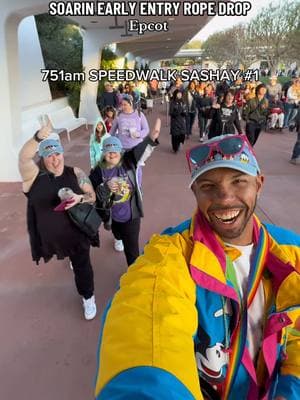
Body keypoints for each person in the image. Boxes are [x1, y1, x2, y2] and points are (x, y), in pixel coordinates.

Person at [94, 134, 300, 400]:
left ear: (259, 184)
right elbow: (145, 324)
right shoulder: (170, 254)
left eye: (238, 181)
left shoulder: (292, 251)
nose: (225, 198)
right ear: (195, 192)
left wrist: (290, 389)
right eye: (207, 186)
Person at [19, 124, 98, 320]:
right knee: (71, 258)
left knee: (83, 267)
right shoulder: (33, 177)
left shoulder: (75, 173)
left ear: (62, 153)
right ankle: (71, 260)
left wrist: (80, 198)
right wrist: (37, 137)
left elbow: (92, 196)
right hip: (52, 239)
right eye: (49, 156)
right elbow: (23, 158)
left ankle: (88, 297)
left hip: (77, 233)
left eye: (57, 154)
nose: (55, 159)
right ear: (42, 158)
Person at [89, 119, 161, 266]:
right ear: (103, 153)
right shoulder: (97, 171)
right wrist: (105, 186)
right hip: (111, 215)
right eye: (108, 151)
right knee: (116, 232)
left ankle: (133, 274)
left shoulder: (129, 160)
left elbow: (142, 148)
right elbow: (94, 194)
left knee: (132, 249)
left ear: (121, 151)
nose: (112, 154)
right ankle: (117, 236)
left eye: (115, 150)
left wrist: (151, 137)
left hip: (131, 215)